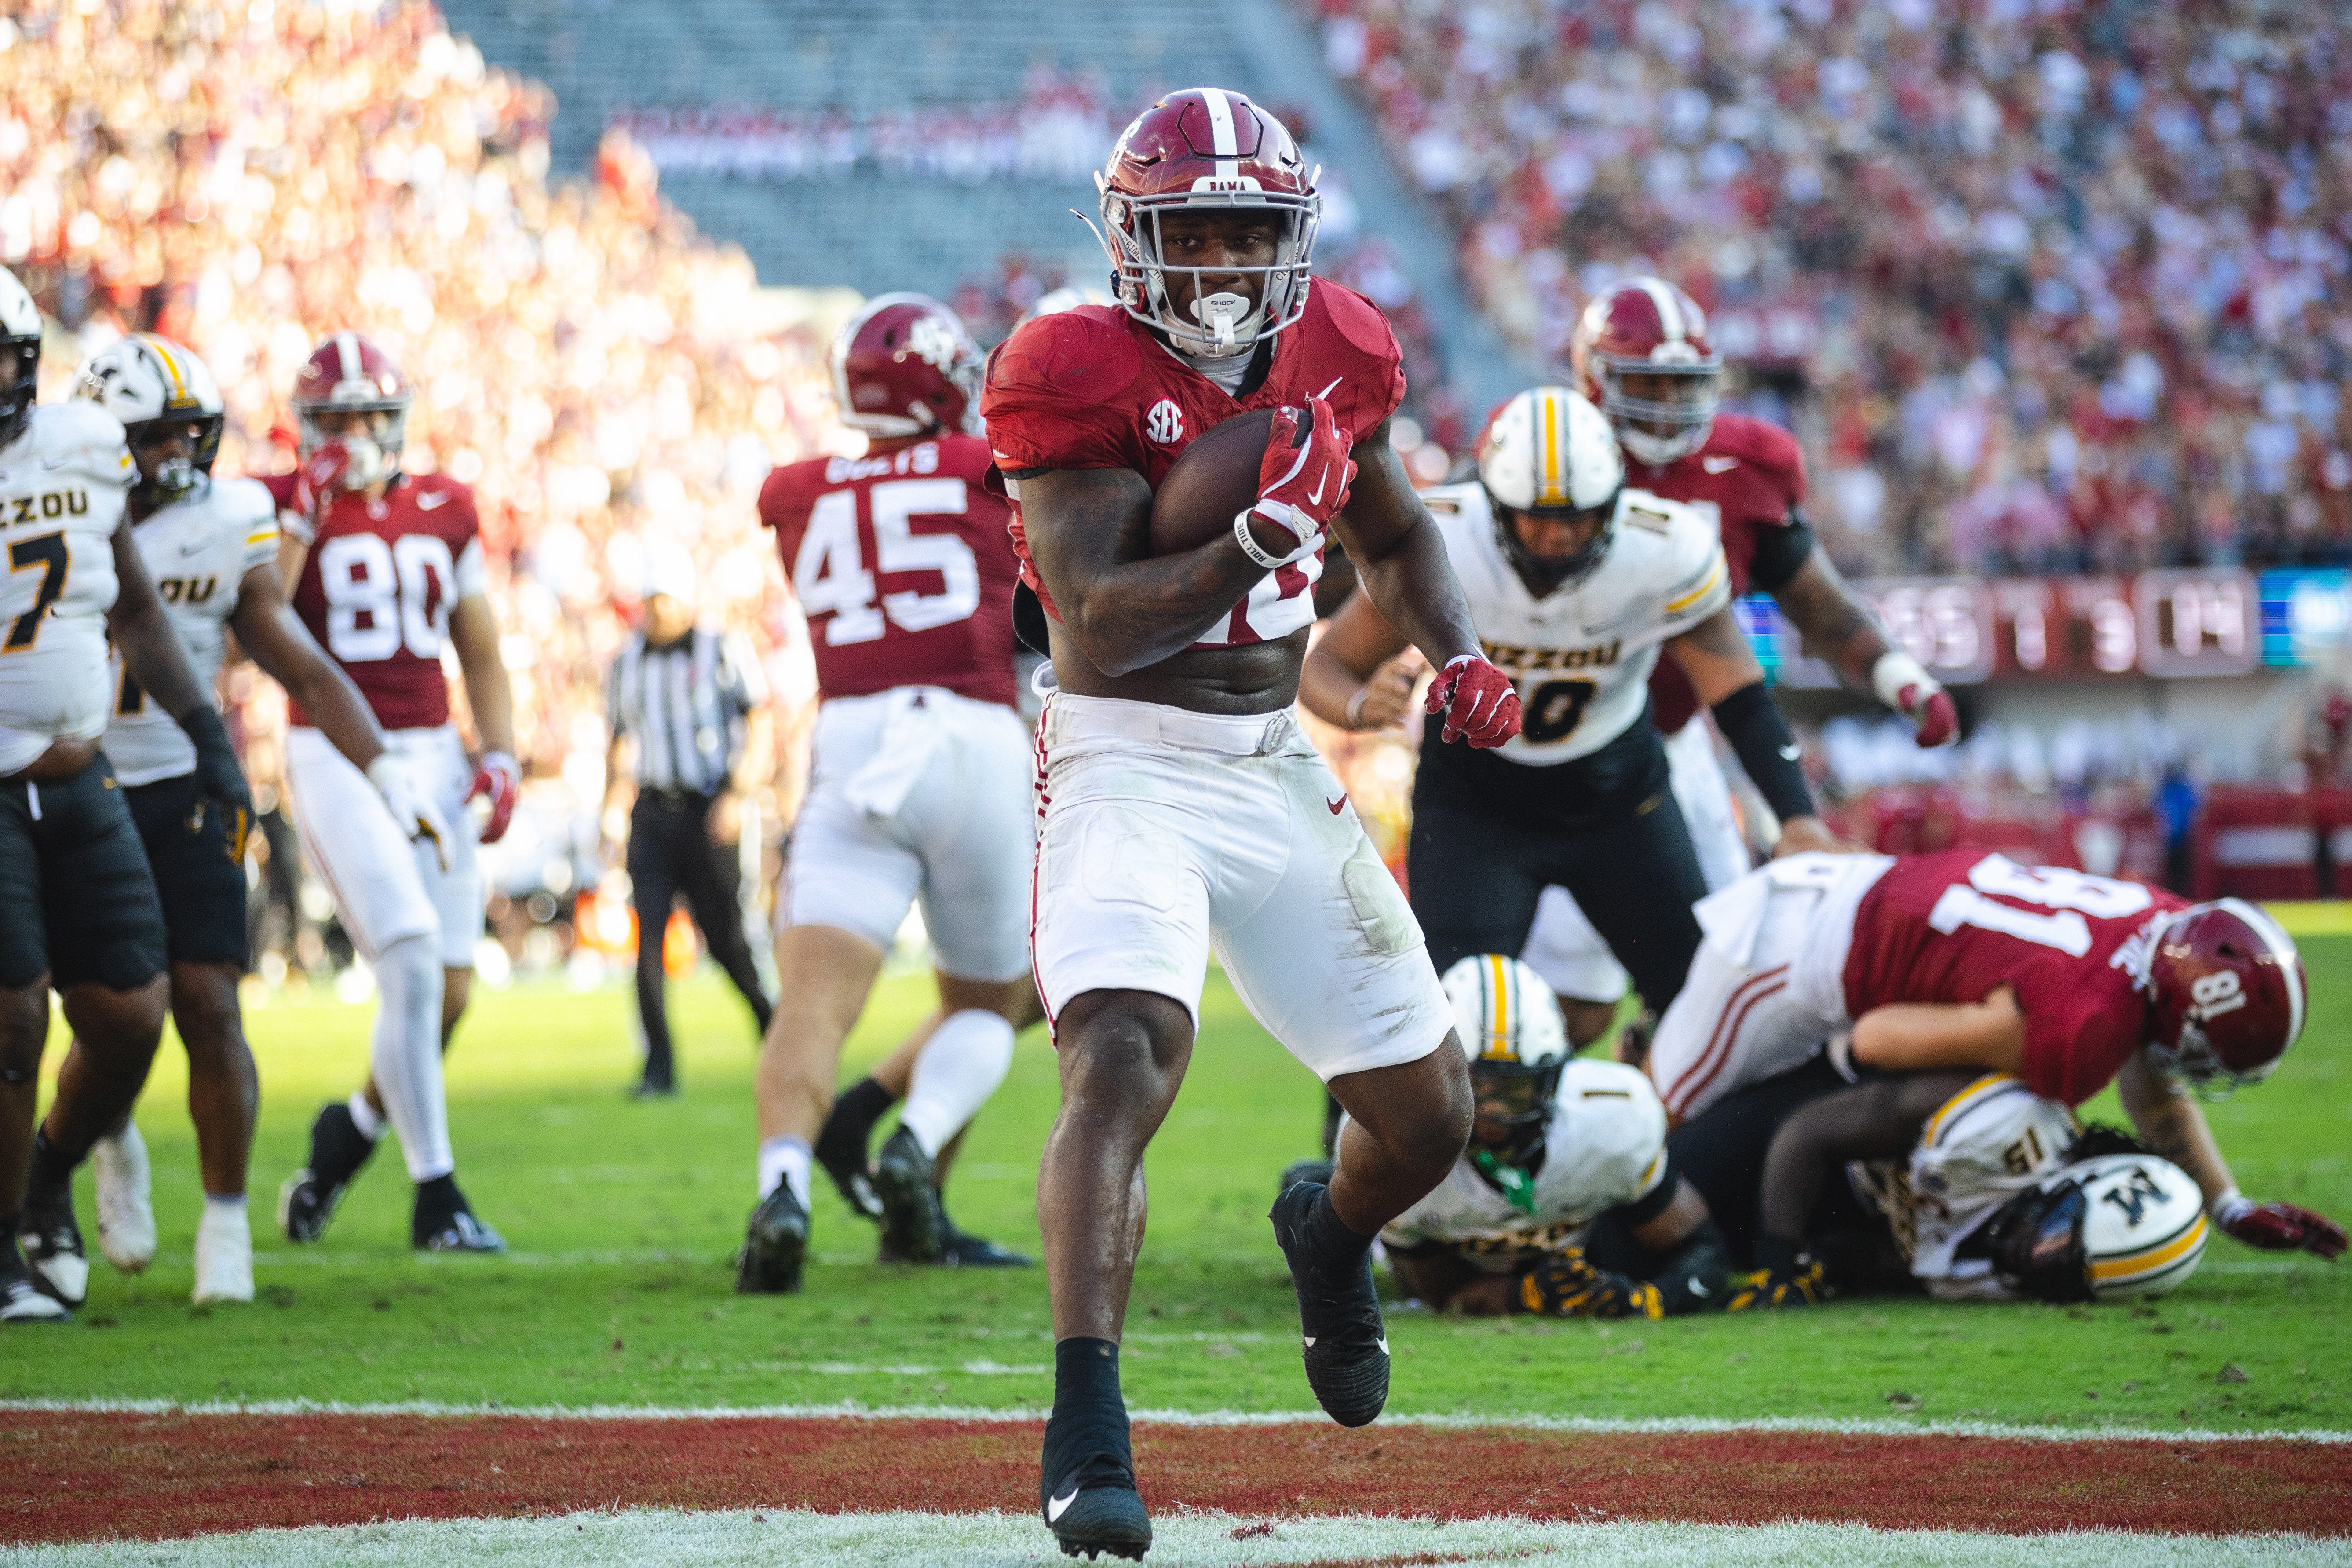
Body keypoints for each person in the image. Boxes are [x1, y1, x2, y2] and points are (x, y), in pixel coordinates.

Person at [982, 88, 1518, 1559]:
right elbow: (1097, 619)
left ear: (1293, 236)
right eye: (1195, 231)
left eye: (1246, 232)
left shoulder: (1339, 343)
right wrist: (1258, 537)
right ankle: (1086, 1423)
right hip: (1123, 753)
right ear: (1129, 238)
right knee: (1121, 1052)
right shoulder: (1064, 365)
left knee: (1429, 1117)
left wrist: (1459, 652)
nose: (1221, 262)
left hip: (1270, 756)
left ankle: (1326, 1232)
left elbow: (1395, 533)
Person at [56, 336, 449, 1306]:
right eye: (154, 437)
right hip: (81, 788)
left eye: (190, 433)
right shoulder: (55, 510)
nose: (176, 456)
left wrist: (386, 770)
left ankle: (226, 1226)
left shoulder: (229, 518)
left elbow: (298, 659)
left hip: (192, 785)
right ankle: (108, 1136)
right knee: (114, 1014)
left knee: (210, 1001)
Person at [1300, 386, 1840, 1043]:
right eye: (1537, 518)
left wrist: (1797, 816)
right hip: (1476, 803)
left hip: (1618, 796)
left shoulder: (1664, 548)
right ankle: (1362, 1119)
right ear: (1494, 506)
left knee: (1702, 1003)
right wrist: (1361, 706)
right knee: (1431, 1016)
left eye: (1578, 517)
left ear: (1613, 502)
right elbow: (1327, 666)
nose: (1557, 535)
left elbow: (1739, 695)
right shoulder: (1447, 540)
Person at [1513, 278, 1956, 1045]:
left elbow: (1818, 605)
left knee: (1723, 974)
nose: (1667, 404)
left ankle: (1671, 1093)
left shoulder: (1745, 466)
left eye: (1680, 384)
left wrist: (1899, 676)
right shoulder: (1541, 454)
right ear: (1594, 380)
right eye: (1647, 384)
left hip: (1673, 739)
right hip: (1548, 747)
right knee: (1574, 1005)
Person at [1643, 849, 2345, 1290]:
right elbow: (1879, 1039)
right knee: (1647, 1132)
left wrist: (2228, 1204)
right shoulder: (2082, 1028)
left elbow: (2154, 1086)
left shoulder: (2167, 924)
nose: (2192, 1068)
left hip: (1864, 895)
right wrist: (1849, 1074)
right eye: (2204, 1049)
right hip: (1792, 953)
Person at [741, 293, 1034, 1292]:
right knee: (993, 999)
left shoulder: (796, 491)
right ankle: (916, 1138)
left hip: (856, 739)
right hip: (973, 734)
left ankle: (783, 1186)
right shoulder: (983, 467)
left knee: (812, 1006)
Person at [0, 271, 255, 1322]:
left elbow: (137, 610)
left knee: (131, 1012)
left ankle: (51, 1175)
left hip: (86, 773)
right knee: (16, 1015)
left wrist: (211, 742)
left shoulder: (82, 447)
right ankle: (7, 1252)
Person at [264, 331, 518, 1254]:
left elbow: (479, 648)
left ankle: (344, 1142)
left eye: (374, 417)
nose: (360, 436)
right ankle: (436, 1195)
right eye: (339, 421)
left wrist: (501, 754)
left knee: (447, 992)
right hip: (334, 749)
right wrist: (303, 513)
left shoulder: (447, 505)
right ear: (307, 428)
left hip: (433, 750)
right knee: (408, 959)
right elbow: (260, 621)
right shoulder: (279, 503)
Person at [1377, 957, 1731, 1318]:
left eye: (1514, 1088)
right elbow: (1441, 1295)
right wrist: (1520, 1295)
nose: (1495, 1109)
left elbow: (1700, 1249)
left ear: (1553, 1080)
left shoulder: (1611, 1122)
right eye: (1475, 1085)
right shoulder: (1395, 1149)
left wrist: (1648, 1300)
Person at [1720, 1069, 2213, 1307]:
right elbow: (1806, 1132)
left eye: (2062, 1265)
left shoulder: (2025, 1275)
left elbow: (1899, 1262)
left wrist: (1824, 1262)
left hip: (1820, 1209)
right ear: (2072, 1176)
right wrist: (1778, 1260)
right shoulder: (2003, 1127)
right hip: (1792, 1125)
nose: (2035, 1252)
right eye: (2060, 1230)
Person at [599, 546, 774, 1097]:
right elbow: (617, 738)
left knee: (727, 939)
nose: (658, 612)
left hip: (708, 808)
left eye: (666, 601)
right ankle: (658, 1067)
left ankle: (775, 1030)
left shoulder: (721, 647)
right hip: (652, 810)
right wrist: (609, 808)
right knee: (648, 938)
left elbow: (759, 722)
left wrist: (736, 795)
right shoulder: (626, 659)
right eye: (651, 601)